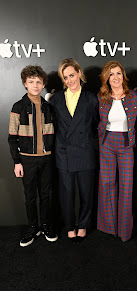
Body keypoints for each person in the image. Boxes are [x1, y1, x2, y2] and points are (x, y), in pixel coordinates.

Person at [49, 58, 98, 244]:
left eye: (72, 75)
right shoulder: (56, 99)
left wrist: (85, 139)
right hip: (64, 152)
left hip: (85, 150)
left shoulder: (91, 98)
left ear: (79, 73)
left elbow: (95, 124)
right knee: (66, 193)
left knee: (86, 192)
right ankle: (70, 226)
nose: (70, 80)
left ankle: (83, 225)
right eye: (65, 77)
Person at [8, 65, 58, 247]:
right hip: (27, 159)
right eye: (31, 82)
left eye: (38, 82)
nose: (35, 85)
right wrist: (17, 162)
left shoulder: (48, 107)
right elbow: (12, 137)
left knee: (46, 194)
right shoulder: (18, 107)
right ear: (25, 83)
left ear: (43, 83)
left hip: (46, 158)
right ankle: (32, 227)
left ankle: (45, 225)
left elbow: (55, 132)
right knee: (30, 196)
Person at [97, 61, 137, 242]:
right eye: (111, 74)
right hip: (106, 143)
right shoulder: (101, 97)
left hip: (126, 144)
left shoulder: (134, 97)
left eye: (118, 73)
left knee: (126, 187)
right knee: (107, 184)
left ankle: (124, 231)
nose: (115, 77)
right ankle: (110, 228)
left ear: (123, 75)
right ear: (106, 78)